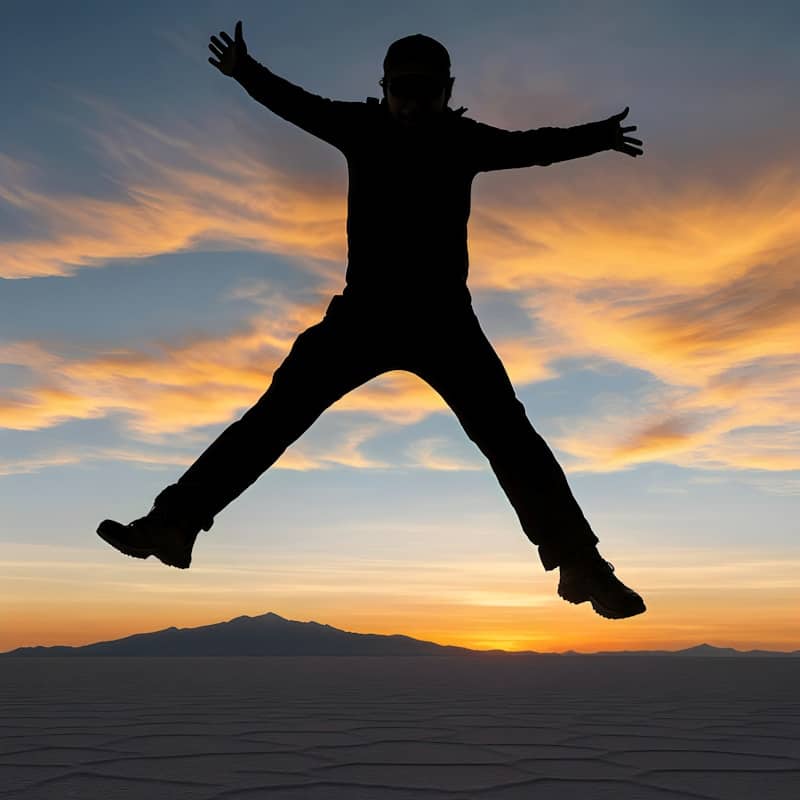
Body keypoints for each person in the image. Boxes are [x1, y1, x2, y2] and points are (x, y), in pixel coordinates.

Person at [97, 21, 647, 619]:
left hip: (443, 322)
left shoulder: (462, 141)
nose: (412, 104)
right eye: (402, 91)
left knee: (510, 439)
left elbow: (530, 146)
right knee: (273, 417)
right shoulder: (360, 127)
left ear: (447, 89)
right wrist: (245, 72)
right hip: (363, 316)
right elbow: (296, 105)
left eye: (427, 92)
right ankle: (172, 526)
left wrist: (598, 135)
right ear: (384, 88)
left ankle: (581, 564)